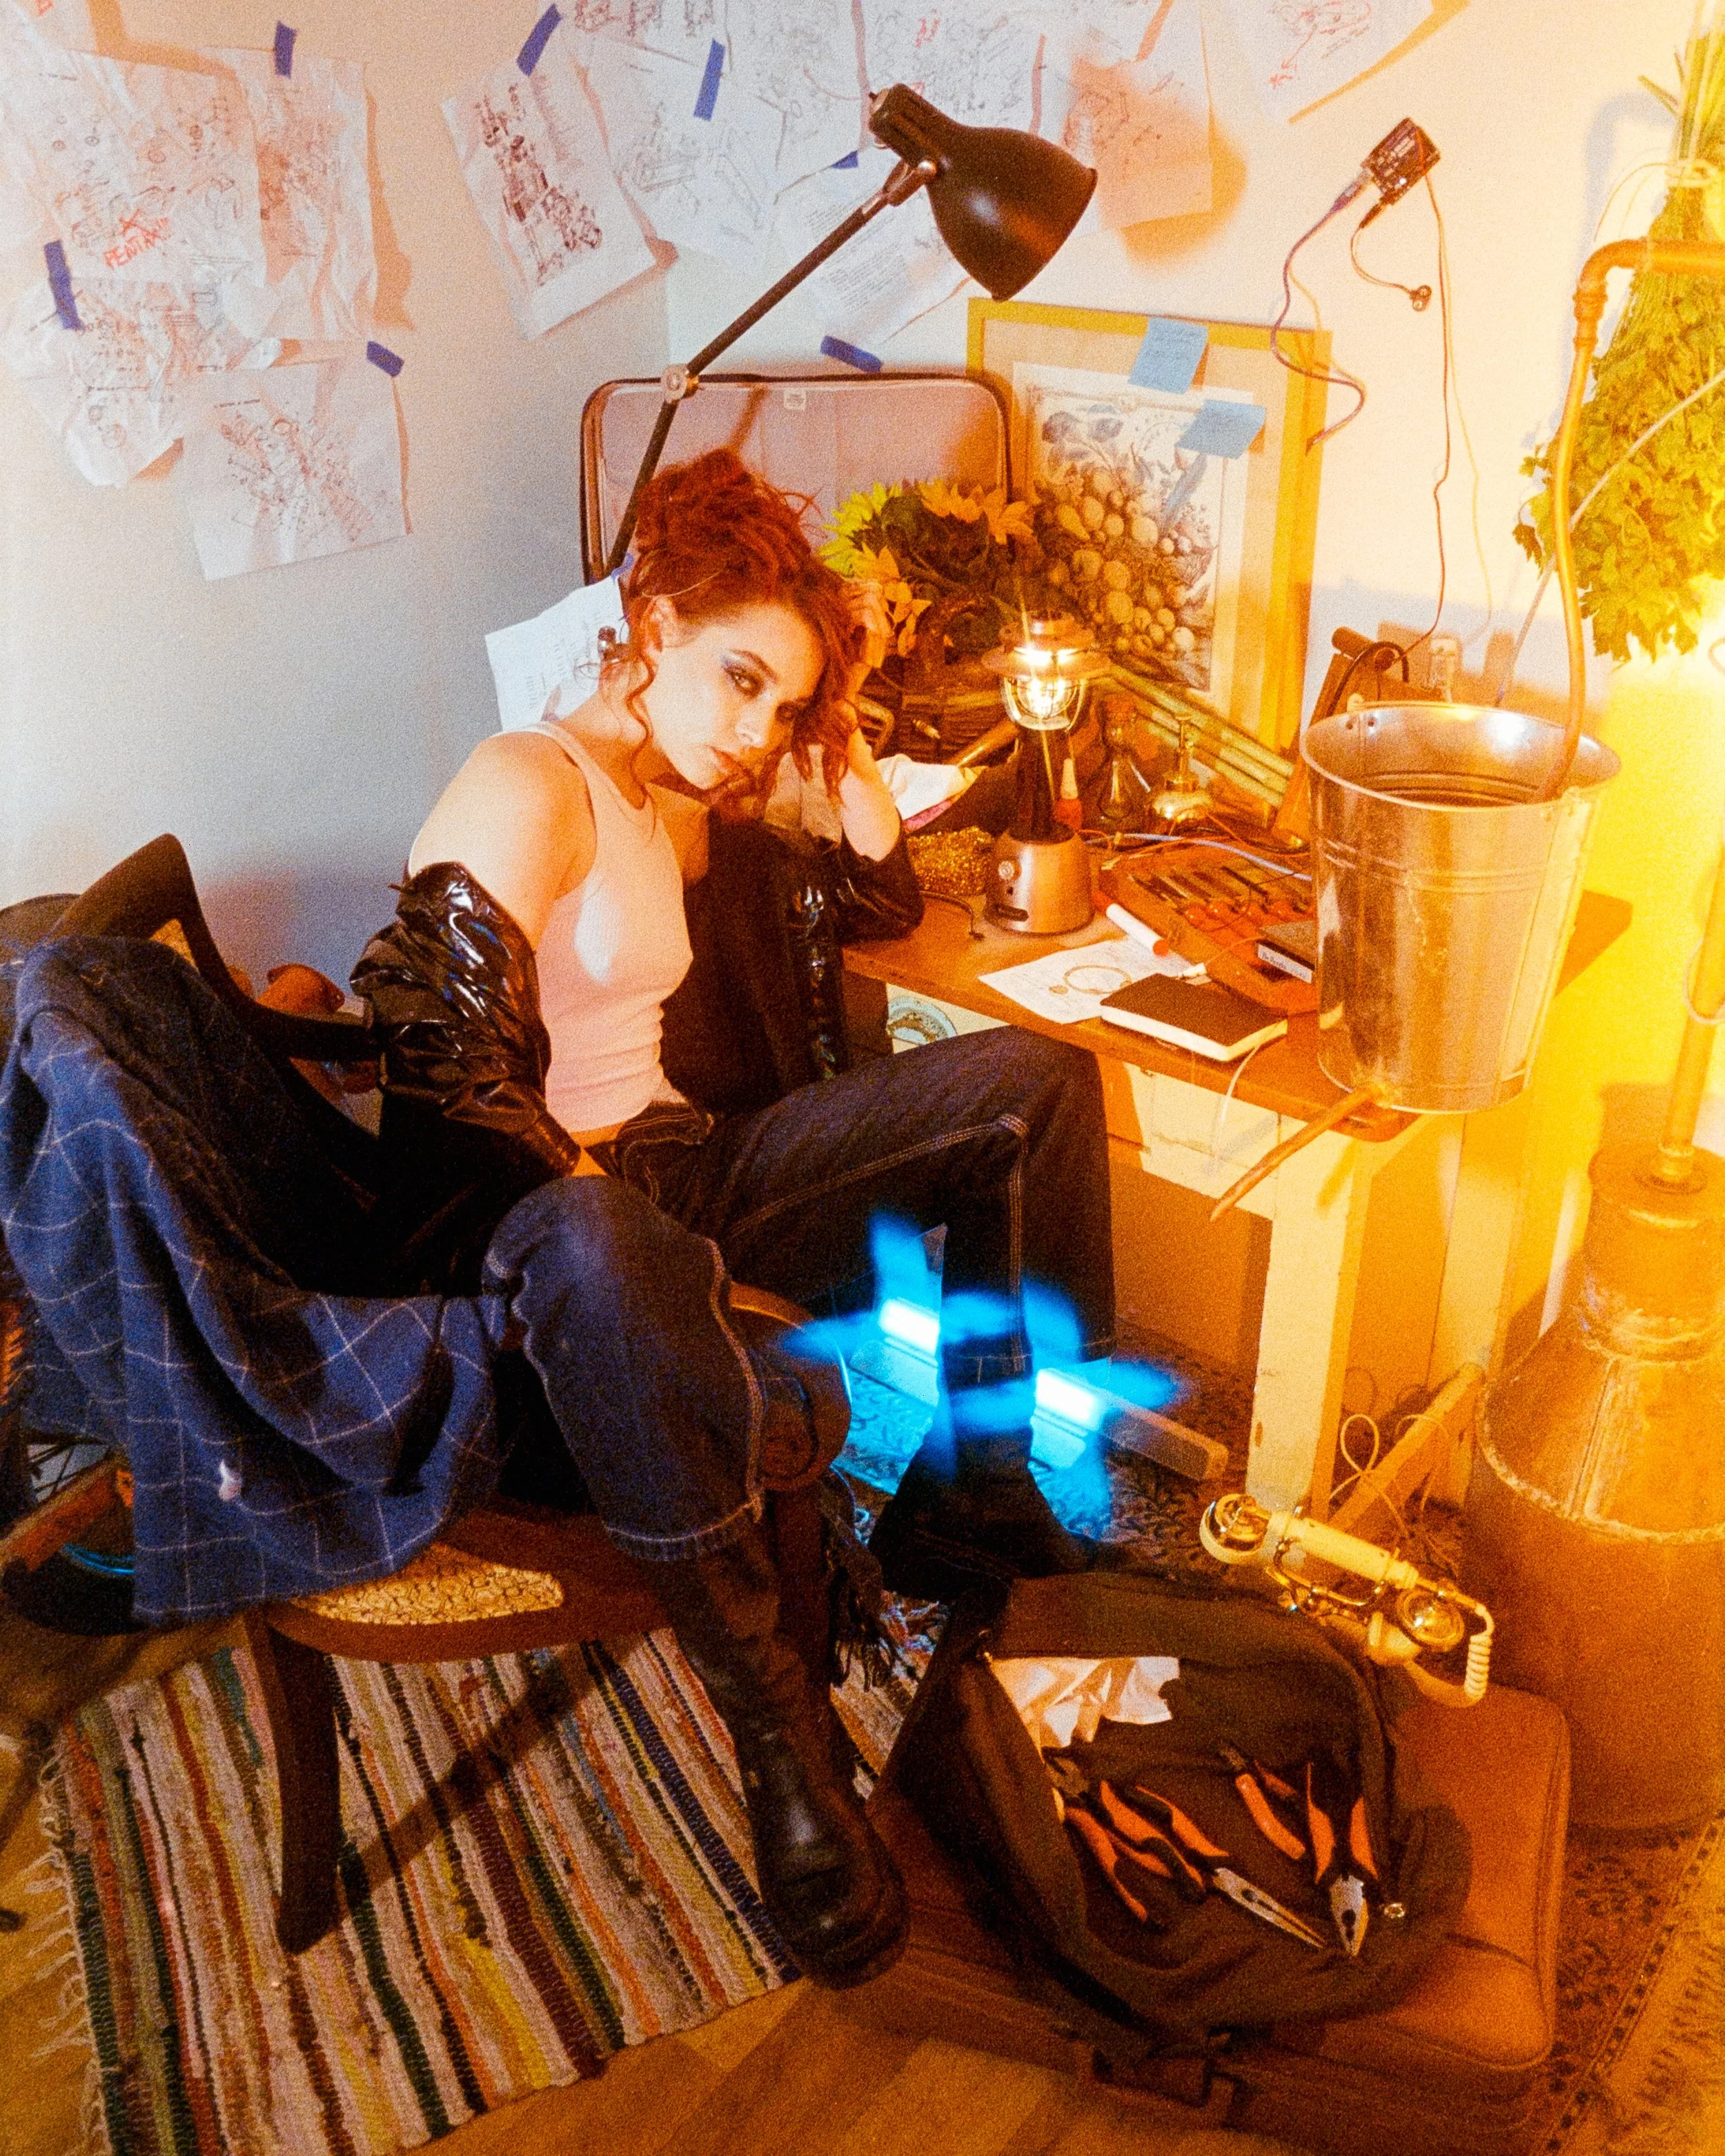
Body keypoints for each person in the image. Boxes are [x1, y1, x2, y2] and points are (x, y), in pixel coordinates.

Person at [352, 448, 1116, 1988]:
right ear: (644, 616)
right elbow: (441, 1057)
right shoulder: (528, 780)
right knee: (597, 1239)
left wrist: (819, 741)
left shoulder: (667, 791)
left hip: (676, 1165)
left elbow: (884, 902)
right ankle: (782, 1745)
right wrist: (620, 1232)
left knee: (1031, 1083)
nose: (750, 725)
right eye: (737, 678)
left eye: (777, 698)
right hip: (542, 1231)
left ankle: (970, 1481)